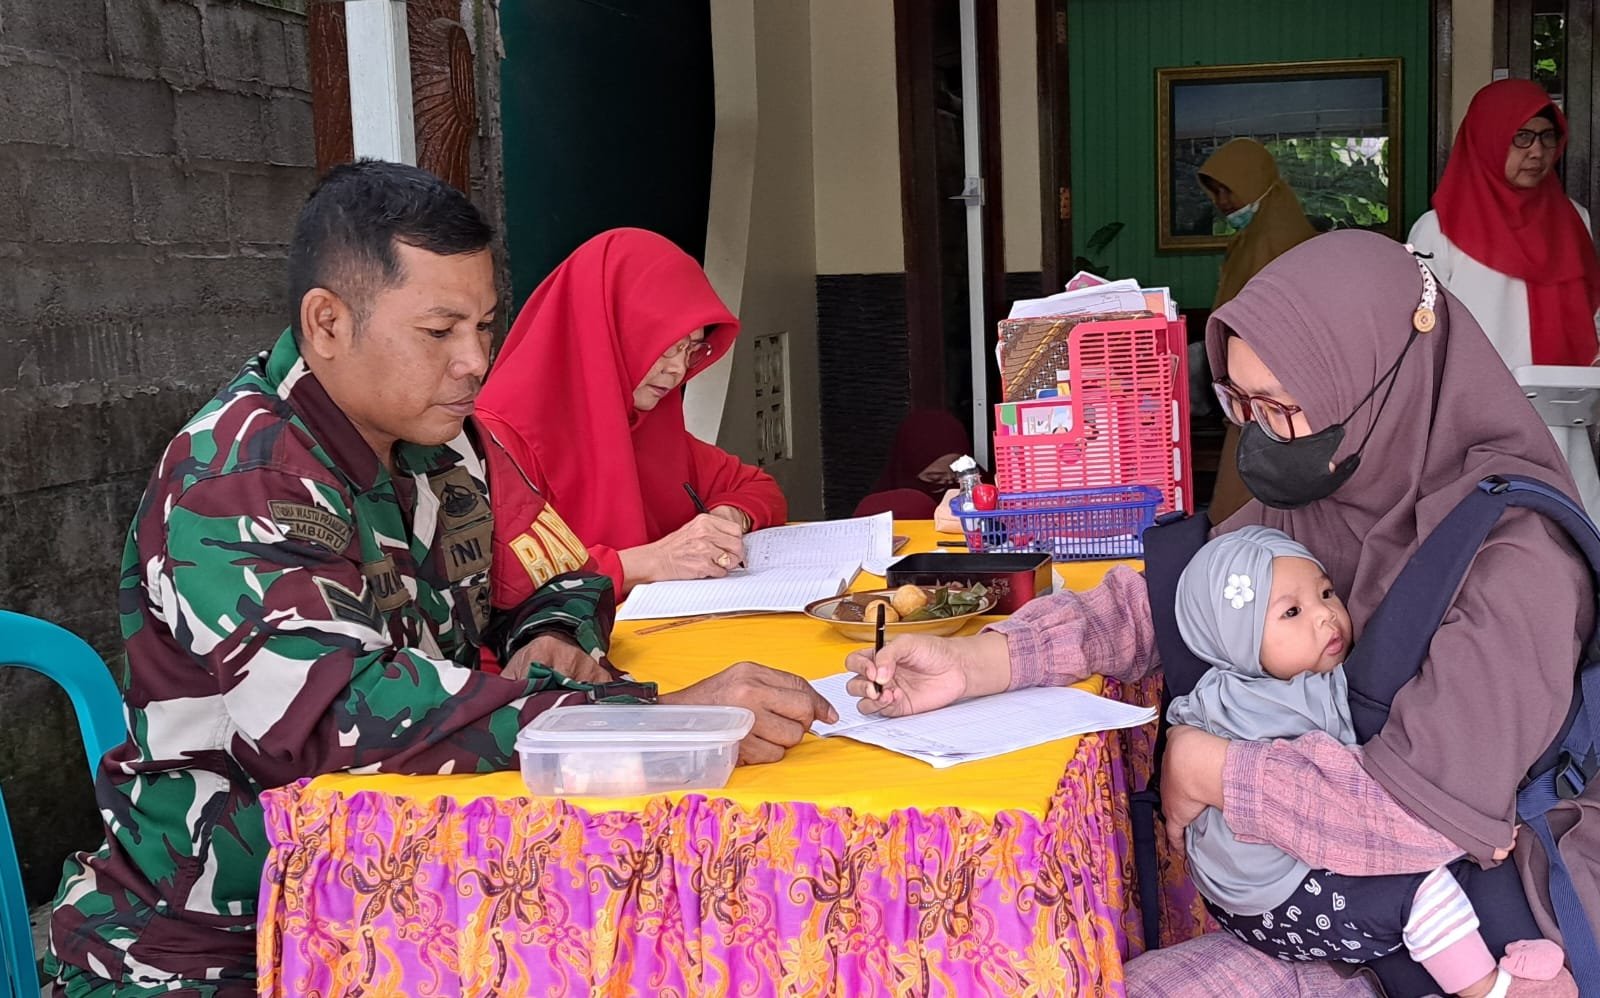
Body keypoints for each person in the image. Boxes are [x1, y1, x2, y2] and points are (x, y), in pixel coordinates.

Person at [44, 163, 833, 997]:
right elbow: (337, 717)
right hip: (223, 943)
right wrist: (649, 724)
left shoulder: (444, 446)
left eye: (485, 327)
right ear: (327, 323)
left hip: (400, 895)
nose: (475, 362)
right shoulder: (242, 478)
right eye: (439, 331)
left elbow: (552, 579)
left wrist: (547, 634)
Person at [844, 230, 1591, 996]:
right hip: (1322, 901)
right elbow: (1172, 604)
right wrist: (978, 663)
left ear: (1385, 385)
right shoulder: (1331, 489)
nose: (1264, 435)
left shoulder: (1517, 562)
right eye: (1245, 405)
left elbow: (1416, 817)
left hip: (1468, 936)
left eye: (1286, 407)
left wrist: (1214, 769)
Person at [1172, 526, 1566, 997]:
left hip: (1239, 895)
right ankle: (1488, 988)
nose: (1325, 615)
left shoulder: (1230, 692)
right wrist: (1461, 835)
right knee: (1421, 891)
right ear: (1236, 640)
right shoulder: (1272, 711)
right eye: (1292, 612)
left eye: (1325, 593)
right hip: (1278, 899)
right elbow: (1346, 815)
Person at [477, 228, 787, 600]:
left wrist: (724, 520)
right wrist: (654, 561)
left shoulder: (644, 422)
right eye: (666, 347)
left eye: (690, 350)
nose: (678, 370)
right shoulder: (498, 438)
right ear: (608, 332)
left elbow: (757, 487)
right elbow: (508, 582)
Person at [1408, 78, 1600, 519]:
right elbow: (1420, 333)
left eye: (1547, 137)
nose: (1537, 152)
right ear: (1489, 137)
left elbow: (1592, 308)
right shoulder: (1438, 230)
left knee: (1571, 528)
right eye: (1521, 137)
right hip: (1474, 423)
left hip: (1560, 414)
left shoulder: (1574, 219)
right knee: (1488, 532)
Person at [1196, 138, 1319, 522]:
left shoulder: (1275, 238)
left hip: (1269, 388)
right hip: (1252, 385)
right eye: (1215, 191)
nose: (1222, 201)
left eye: (1228, 189)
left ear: (1252, 181)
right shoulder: (1255, 234)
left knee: (1251, 493)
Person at [854, 409, 972, 520]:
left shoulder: (976, 489)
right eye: (936, 478)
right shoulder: (878, 512)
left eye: (957, 474)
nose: (949, 483)